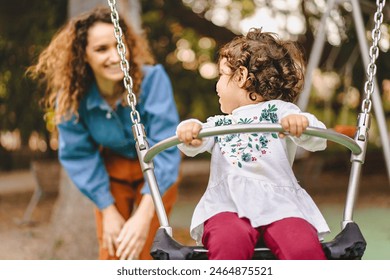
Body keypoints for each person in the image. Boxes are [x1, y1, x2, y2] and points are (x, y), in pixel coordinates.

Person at [27, 7, 181, 260]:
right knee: (113, 250)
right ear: (83, 56)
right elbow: (79, 156)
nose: (114, 56)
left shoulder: (152, 80)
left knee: (146, 249)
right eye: (101, 49)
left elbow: (165, 147)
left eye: (118, 45)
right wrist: (107, 210)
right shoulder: (72, 99)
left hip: (156, 169)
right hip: (113, 173)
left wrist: (144, 216)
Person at [176, 28, 330, 260]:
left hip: (280, 203)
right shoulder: (221, 124)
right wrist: (188, 131)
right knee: (228, 241)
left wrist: (302, 123)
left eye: (220, 75)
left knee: (302, 248)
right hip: (226, 205)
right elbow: (195, 139)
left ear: (240, 76)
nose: (216, 85)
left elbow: (319, 139)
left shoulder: (280, 112)